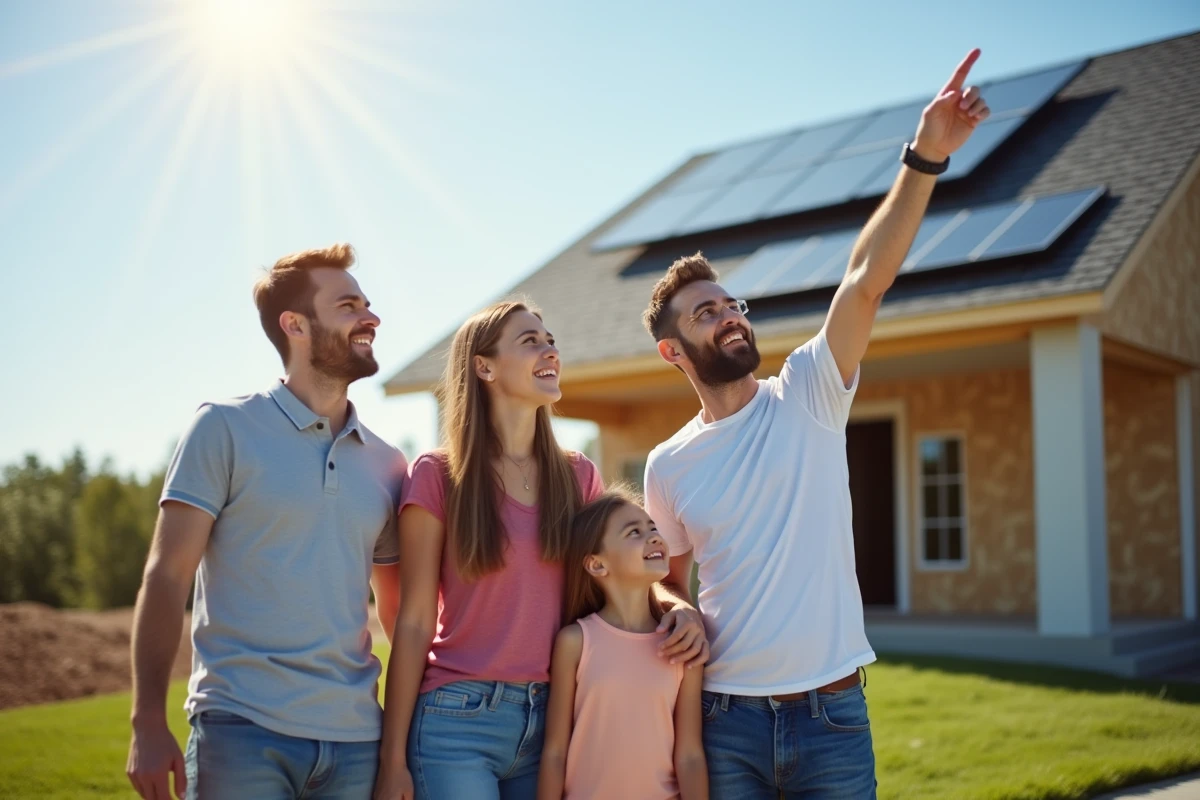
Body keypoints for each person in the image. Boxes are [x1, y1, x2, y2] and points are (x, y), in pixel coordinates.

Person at [642, 51, 992, 798]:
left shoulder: (806, 391)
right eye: (708, 313)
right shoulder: (667, 465)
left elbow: (865, 281)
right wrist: (679, 614)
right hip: (725, 719)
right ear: (674, 351)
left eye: (733, 304)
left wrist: (925, 155)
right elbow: (667, 585)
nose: (731, 316)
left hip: (831, 717)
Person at [373, 300, 709, 800]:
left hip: (554, 718)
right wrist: (392, 757)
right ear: (483, 366)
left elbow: (615, 576)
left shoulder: (578, 476)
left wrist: (681, 609)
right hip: (457, 718)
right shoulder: (437, 475)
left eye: (549, 339)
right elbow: (415, 620)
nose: (549, 348)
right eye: (530, 340)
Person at [125, 244, 407, 800]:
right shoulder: (223, 428)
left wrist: (401, 739)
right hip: (241, 730)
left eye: (367, 304)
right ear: (295, 325)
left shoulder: (387, 463)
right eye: (348, 305)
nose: (370, 316)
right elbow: (167, 577)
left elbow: (398, 614)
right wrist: (146, 722)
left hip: (356, 742)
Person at [538, 486, 707, 800]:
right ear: (597, 565)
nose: (654, 537)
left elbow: (690, 756)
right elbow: (555, 753)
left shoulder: (682, 646)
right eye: (634, 532)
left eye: (653, 528)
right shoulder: (575, 642)